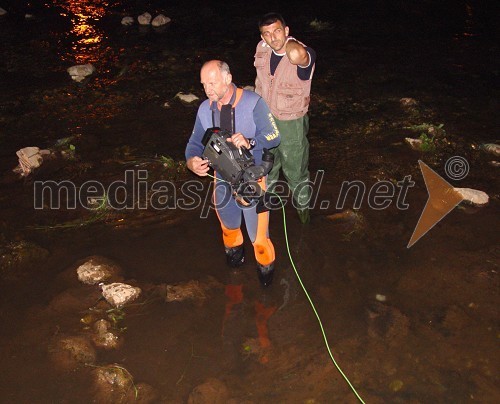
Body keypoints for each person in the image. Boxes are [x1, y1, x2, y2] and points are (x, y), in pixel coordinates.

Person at [185, 60, 281, 287]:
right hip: (221, 180)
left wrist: (251, 141)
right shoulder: (204, 109)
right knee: (229, 231)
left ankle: (267, 291)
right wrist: (191, 162)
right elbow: (194, 143)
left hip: (252, 181)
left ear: (228, 78)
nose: (208, 89)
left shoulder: (253, 103)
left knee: (259, 239)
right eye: (203, 84)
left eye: (212, 82)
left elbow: (274, 136)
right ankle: (233, 283)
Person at [254, 12, 316, 224]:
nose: (273, 37)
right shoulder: (261, 49)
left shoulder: (301, 53)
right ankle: (266, 216)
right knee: (266, 169)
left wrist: (287, 42)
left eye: (277, 31)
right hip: (265, 121)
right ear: (262, 37)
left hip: (292, 124)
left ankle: (304, 218)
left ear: (287, 31)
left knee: (296, 174)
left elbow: (299, 55)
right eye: (267, 34)